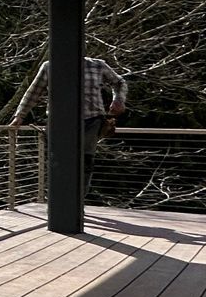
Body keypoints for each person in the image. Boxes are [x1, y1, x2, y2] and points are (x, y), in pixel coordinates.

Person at [10, 53, 127, 197]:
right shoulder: (49, 66)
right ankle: (60, 199)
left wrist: (119, 100)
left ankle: (78, 200)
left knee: (85, 160)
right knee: (60, 160)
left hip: (92, 119)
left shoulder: (97, 65)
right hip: (60, 121)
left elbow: (120, 82)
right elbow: (34, 91)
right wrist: (19, 115)